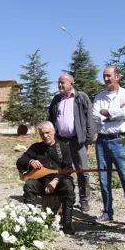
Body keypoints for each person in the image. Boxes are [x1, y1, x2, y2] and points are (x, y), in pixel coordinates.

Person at [92, 66, 125, 223]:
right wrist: (113, 114)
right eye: (104, 76)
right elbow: (95, 116)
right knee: (104, 179)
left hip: (120, 140)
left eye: (109, 75)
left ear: (117, 77)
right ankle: (107, 212)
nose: (106, 79)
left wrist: (108, 113)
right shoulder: (99, 97)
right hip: (102, 140)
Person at [16, 121, 75, 234]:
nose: (45, 136)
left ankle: (67, 223)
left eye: (48, 133)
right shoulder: (35, 148)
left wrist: (55, 180)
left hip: (59, 181)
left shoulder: (63, 147)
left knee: (68, 186)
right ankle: (31, 221)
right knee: (29, 185)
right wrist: (31, 161)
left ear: (54, 132)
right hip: (41, 182)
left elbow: (68, 168)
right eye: (42, 134)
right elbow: (20, 161)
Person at [47, 74, 93, 212]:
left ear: (71, 84)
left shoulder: (81, 97)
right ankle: (62, 198)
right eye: (58, 83)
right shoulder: (56, 99)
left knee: (82, 171)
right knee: (61, 171)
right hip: (61, 141)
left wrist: (89, 137)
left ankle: (84, 200)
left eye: (62, 83)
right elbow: (50, 117)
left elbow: (89, 117)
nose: (60, 85)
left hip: (77, 140)